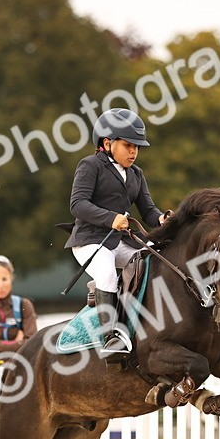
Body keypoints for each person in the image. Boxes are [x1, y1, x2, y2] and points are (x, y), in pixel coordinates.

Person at [66, 108, 168, 358]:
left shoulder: (136, 173)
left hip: (120, 241)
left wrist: (163, 219)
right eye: (128, 145)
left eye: (137, 147)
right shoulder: (90, 165)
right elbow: (77, 204)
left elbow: (148, 210)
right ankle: (109, 338)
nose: (134, 152)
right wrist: (110, 218)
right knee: (107, 274)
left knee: (155, 263)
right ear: (107, 143)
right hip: (90, 240)